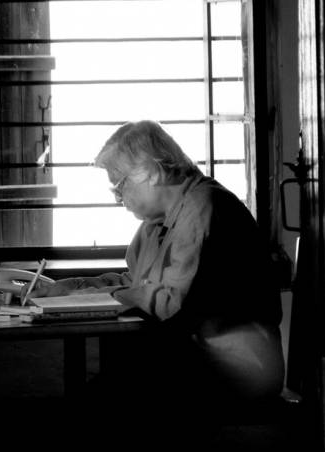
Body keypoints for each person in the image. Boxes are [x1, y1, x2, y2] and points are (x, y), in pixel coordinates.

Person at [24, 120, 284, 444]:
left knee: (99, 402)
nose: (117, 198)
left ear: (150, 172)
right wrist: (70, 289)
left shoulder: (203, 208)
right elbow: (136, 281)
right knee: (98, 395)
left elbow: (170, 304)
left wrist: (117, 295)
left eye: (118, 185)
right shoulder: (156, 222)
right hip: (195, 360)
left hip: (240, 369)